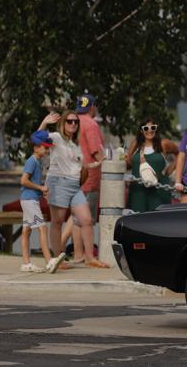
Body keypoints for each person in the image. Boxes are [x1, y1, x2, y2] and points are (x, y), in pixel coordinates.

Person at [38, 110, 109, 268]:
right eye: (69, 121)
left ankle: (90, 258)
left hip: (74, 185)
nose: (73, 124)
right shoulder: (56, 137)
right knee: (57, 221)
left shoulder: (74, 145)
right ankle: (57, 259)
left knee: (86, 220)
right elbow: (37, 138)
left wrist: (98, 163)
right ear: (62, 123)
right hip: (58, 182)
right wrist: (44, 122)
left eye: (76, 122)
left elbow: (81, 165)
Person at [19, 130, 65, 273]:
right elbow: (23, 180)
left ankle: (26, 263)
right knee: (42, 227)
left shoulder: (37, 162)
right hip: (29, 200)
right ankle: (49, 260)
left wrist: (41, 191)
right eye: (45, 148)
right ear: (36, 147)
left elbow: (31, 182)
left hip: (30, 199)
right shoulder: (31, 162)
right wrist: (39, 187)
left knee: (26, 230)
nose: (46, 150)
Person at [73, 93, 105, 263]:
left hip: (75, 174)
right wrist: (107, 162)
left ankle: (78, 253)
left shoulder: (74, 122)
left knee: (76, 218)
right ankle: (87, 255)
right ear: (92, 107)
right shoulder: (91, 124)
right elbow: (95, 151)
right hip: (90, 177)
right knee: (87, 219)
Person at [126, 117, 178, 211]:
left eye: (152, 128)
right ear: (141, 130)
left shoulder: (164, 144)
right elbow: (128, 161)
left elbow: (179, 154)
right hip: (138, 190)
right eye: (146, 128)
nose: (149, 131)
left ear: (156, 129)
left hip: (159, 189)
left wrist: (167, 172)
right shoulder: (136, 143)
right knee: (137, 220)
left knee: (158, 221)